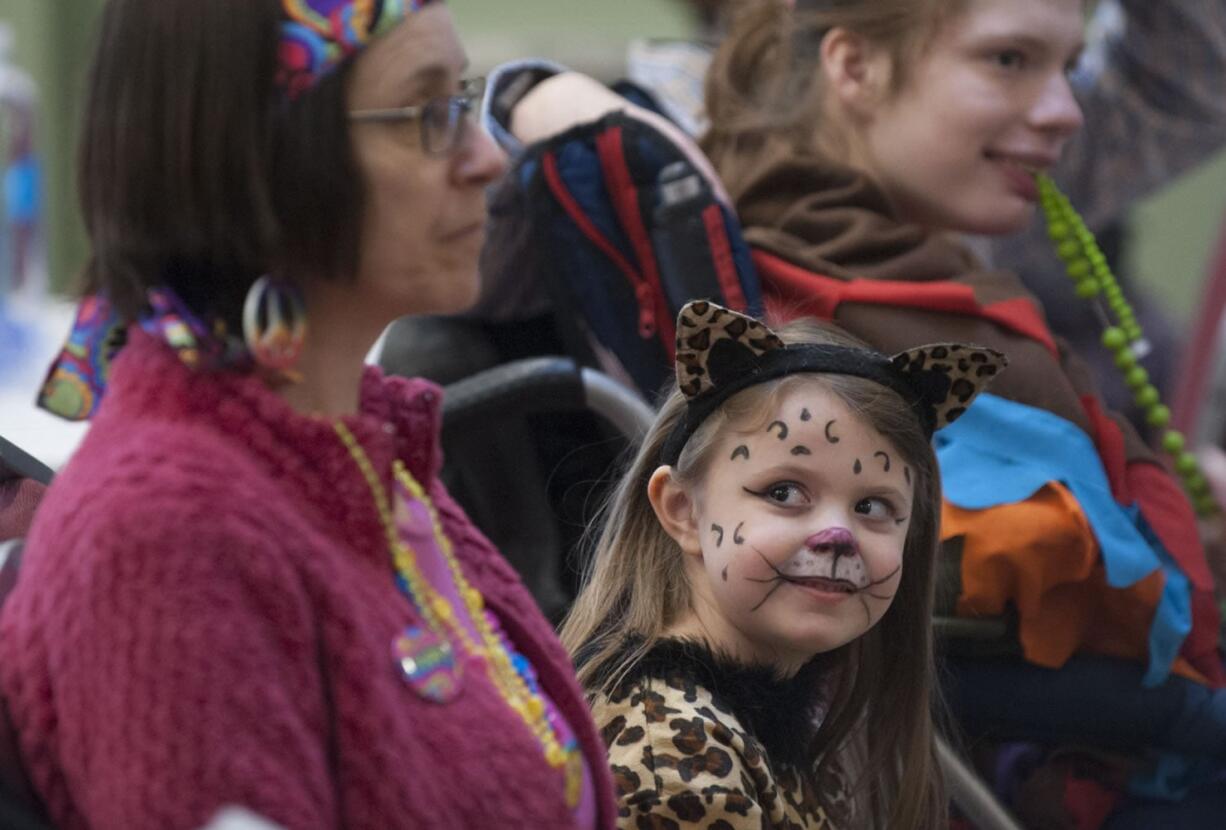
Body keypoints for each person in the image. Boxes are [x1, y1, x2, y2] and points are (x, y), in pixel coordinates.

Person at [0, 1, 617, 828]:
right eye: (430, 115)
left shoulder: (358, 447)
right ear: (260, 167)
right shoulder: (169, 532)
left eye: (464, 101)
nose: (489, 160)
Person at [695, 0, 1222, 688]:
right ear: (853, 66)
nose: (1068, 110)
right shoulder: (771, 292)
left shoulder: (931, 213)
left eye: (1070, 66)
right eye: (1008, 60)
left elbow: (1195, 71)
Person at [560, 300, 1005, 828]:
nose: (838, 537)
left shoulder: (763, 724)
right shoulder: (673, 759)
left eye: (873, 507)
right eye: (785, 491)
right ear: (682, 510)